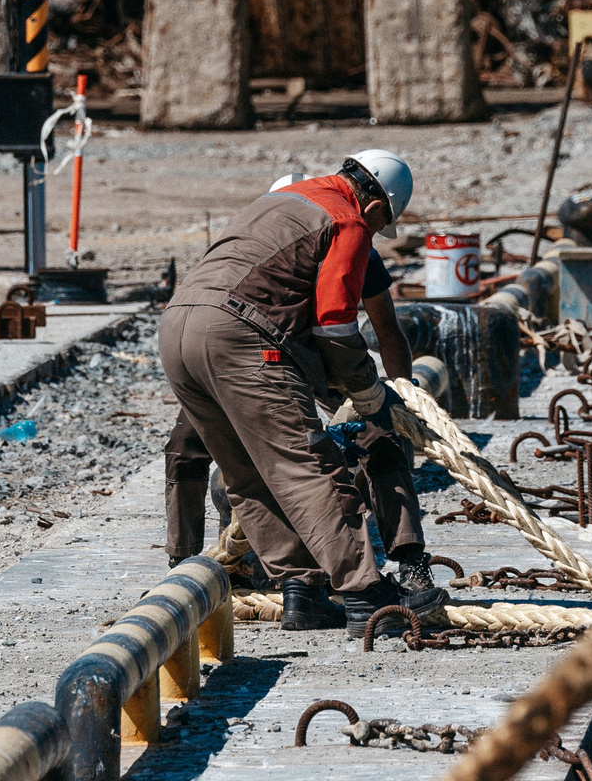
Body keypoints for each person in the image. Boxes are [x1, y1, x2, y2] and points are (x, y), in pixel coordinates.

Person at [158, 150, 447, 635]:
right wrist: (371, 395)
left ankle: (303, 592)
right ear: (377, 209)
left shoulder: (280, 201)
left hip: (177, 328)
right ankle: (365, 593)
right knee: (306, 466)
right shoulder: (348, 220)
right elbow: (335, 328)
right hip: (245, 335)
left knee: (246, 474)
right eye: (380, 226)